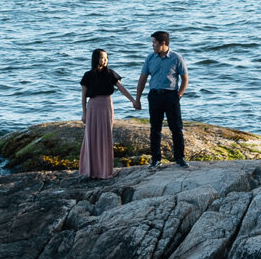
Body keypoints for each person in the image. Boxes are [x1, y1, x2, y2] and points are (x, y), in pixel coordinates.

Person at [132, 30, 192, 167]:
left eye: (154, 43)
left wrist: (180, 94)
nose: (152, 46)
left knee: (176, 128)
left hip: (171, 96)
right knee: (155, 128)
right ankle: (155, 159)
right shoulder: (150, 58)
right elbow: (142, 79)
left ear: (162, 43)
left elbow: (185, 78)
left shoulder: (177, 58)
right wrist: (137, 99)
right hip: (154, 96)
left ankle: (180, 158)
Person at [79, 49, 123, 179]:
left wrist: (133, 100)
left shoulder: (110, 74)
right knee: (91, 137)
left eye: (106, 58)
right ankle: (90, 170)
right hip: (92, 106)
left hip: (106, 106)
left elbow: (121, 88)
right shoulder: (88, 75)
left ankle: (105, 171)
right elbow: (83, 96)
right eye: (102, 58)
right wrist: (84, 112)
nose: (105, 60)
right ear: (95, 59)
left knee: (105, 137)